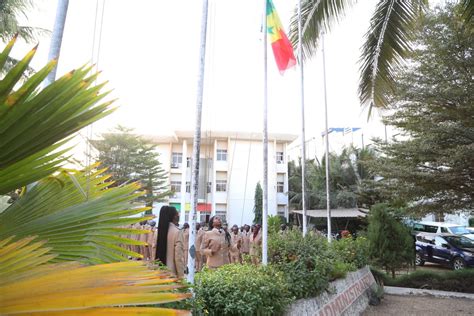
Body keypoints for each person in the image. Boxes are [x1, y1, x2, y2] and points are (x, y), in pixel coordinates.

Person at [156, 206, 185, 278]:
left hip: (159, 272)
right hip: (171, 274)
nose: (178, 216)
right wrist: (181, 276)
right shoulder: (177, 232)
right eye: (177, 214)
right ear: (174, 216)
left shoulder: (158, 232)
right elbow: (178, 257)